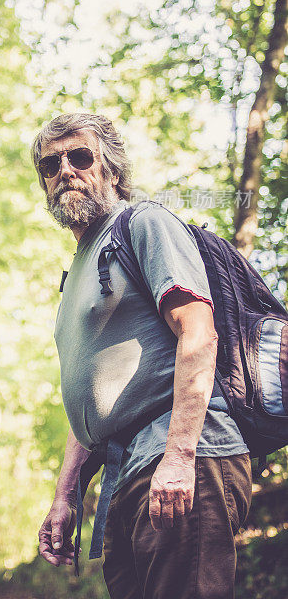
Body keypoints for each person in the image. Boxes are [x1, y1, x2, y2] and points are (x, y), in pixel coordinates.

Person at [32, 112, 252, 599]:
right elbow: (92, 400)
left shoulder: (143, 224)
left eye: (80, 157)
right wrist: (66, 497)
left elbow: (198, 333)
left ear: (111, 169)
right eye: (50, 165)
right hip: (124, 474)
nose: (64, 170)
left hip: (179, 456)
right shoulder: (76, 274)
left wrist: (178, 458)